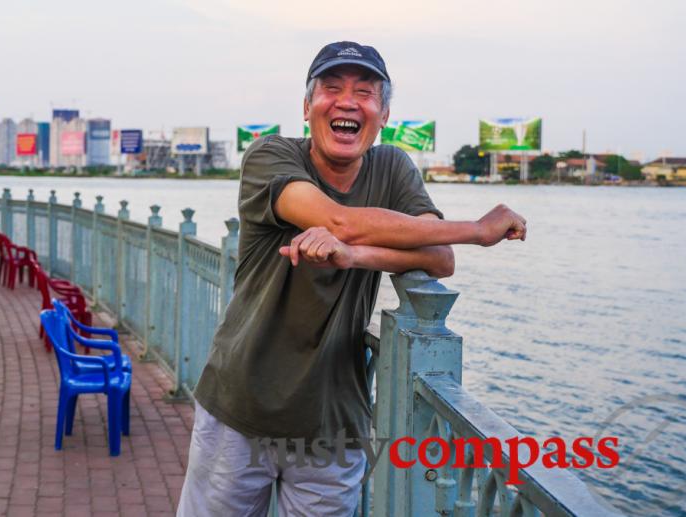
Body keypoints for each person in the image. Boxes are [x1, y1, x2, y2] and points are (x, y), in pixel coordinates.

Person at [178, 41, 527, 516]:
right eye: (331, 88)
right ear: (307, 108)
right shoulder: (271, 157)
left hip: (334, 422)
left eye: (364, 92)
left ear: (382, 115)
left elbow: (440, 259)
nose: (347, 101)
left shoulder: (393, 167)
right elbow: (337, 220)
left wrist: (355, 254)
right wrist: (479, 230)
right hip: (240, 408)